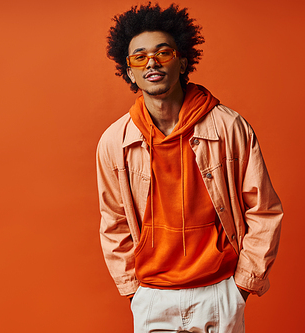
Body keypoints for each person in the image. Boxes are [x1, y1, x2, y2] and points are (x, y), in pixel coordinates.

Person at [96, 3, 283, 332]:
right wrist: (134, 293)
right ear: (129, 71)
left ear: (182, 61)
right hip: (152, 296)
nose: (151, 62)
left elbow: (264, 210)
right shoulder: (115, 142)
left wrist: (240, 287)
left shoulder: (229, 128)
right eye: (139, 57)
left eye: (162, 52)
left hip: (219, 291)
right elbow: (114, 224)